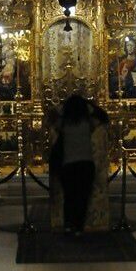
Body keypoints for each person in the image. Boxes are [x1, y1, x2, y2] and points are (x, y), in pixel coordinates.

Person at [51, 94, 109, 236]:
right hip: (86, 164)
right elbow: (103, 116)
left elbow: (52, 114)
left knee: (69, 196)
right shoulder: (88, 123)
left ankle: (68, 225)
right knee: (82, 197)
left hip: (68, 165)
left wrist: (63, 106)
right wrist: (90, 104)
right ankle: (79, 227)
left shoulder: (63, 124)